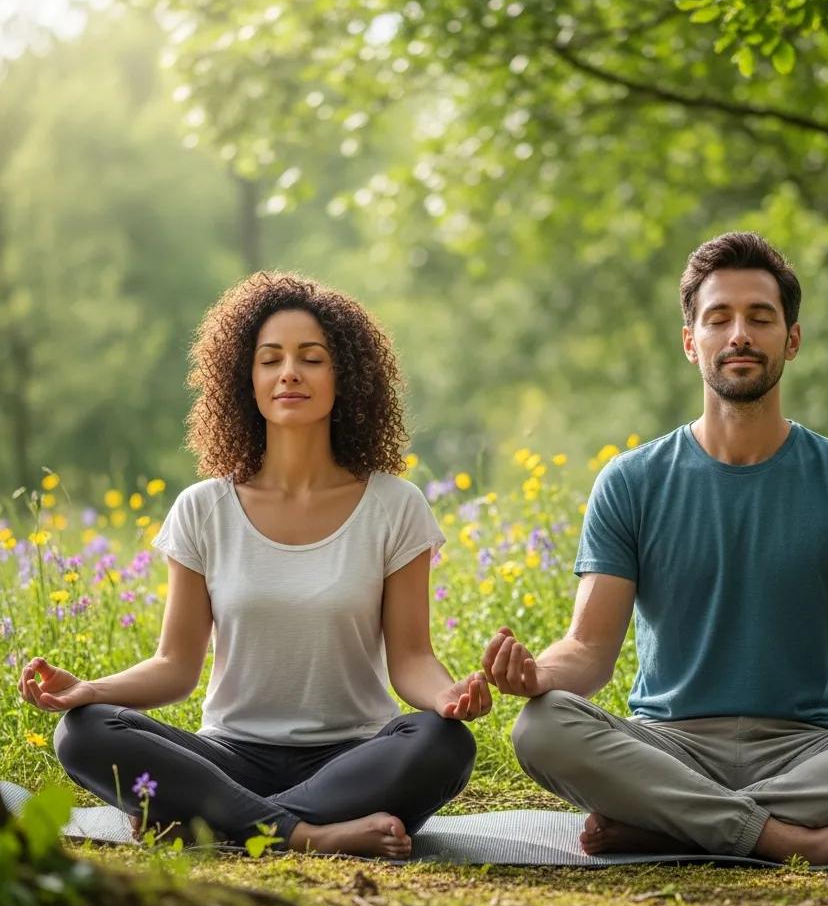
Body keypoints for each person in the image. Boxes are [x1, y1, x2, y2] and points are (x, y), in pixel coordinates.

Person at [482, 231, 828, 866]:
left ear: (792, 339)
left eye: (760, 318)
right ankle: (793, 840)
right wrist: (538, 675)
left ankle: (674, 823)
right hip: (669, 748)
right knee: (542, 725)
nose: (740, 335)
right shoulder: (631, 481)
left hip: (811, 751)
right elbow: (589, 651)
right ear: (690, 341)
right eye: (719, 318)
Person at [19, 271, 490, 859]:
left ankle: (215, 821)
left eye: (311, 359)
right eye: (270, 360)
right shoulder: (204, 508)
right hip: (229, 758)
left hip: (353, 758)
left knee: (444, 743)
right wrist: (91, 689)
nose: (289, 372)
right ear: (247, 380)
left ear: (345, 377)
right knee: (83, 731)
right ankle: (307, 834)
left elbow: (413, 659)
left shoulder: (396, 506)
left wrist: (447, 697)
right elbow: (175, 666)